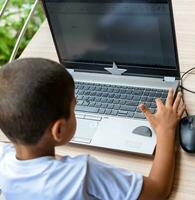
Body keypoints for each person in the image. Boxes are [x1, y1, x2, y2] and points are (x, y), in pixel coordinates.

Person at [0, 58, 185, 200]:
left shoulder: (3, 162)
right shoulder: (83, 173)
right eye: (74, 107)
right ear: (58, 130)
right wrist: (166, 131)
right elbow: (158, 191)